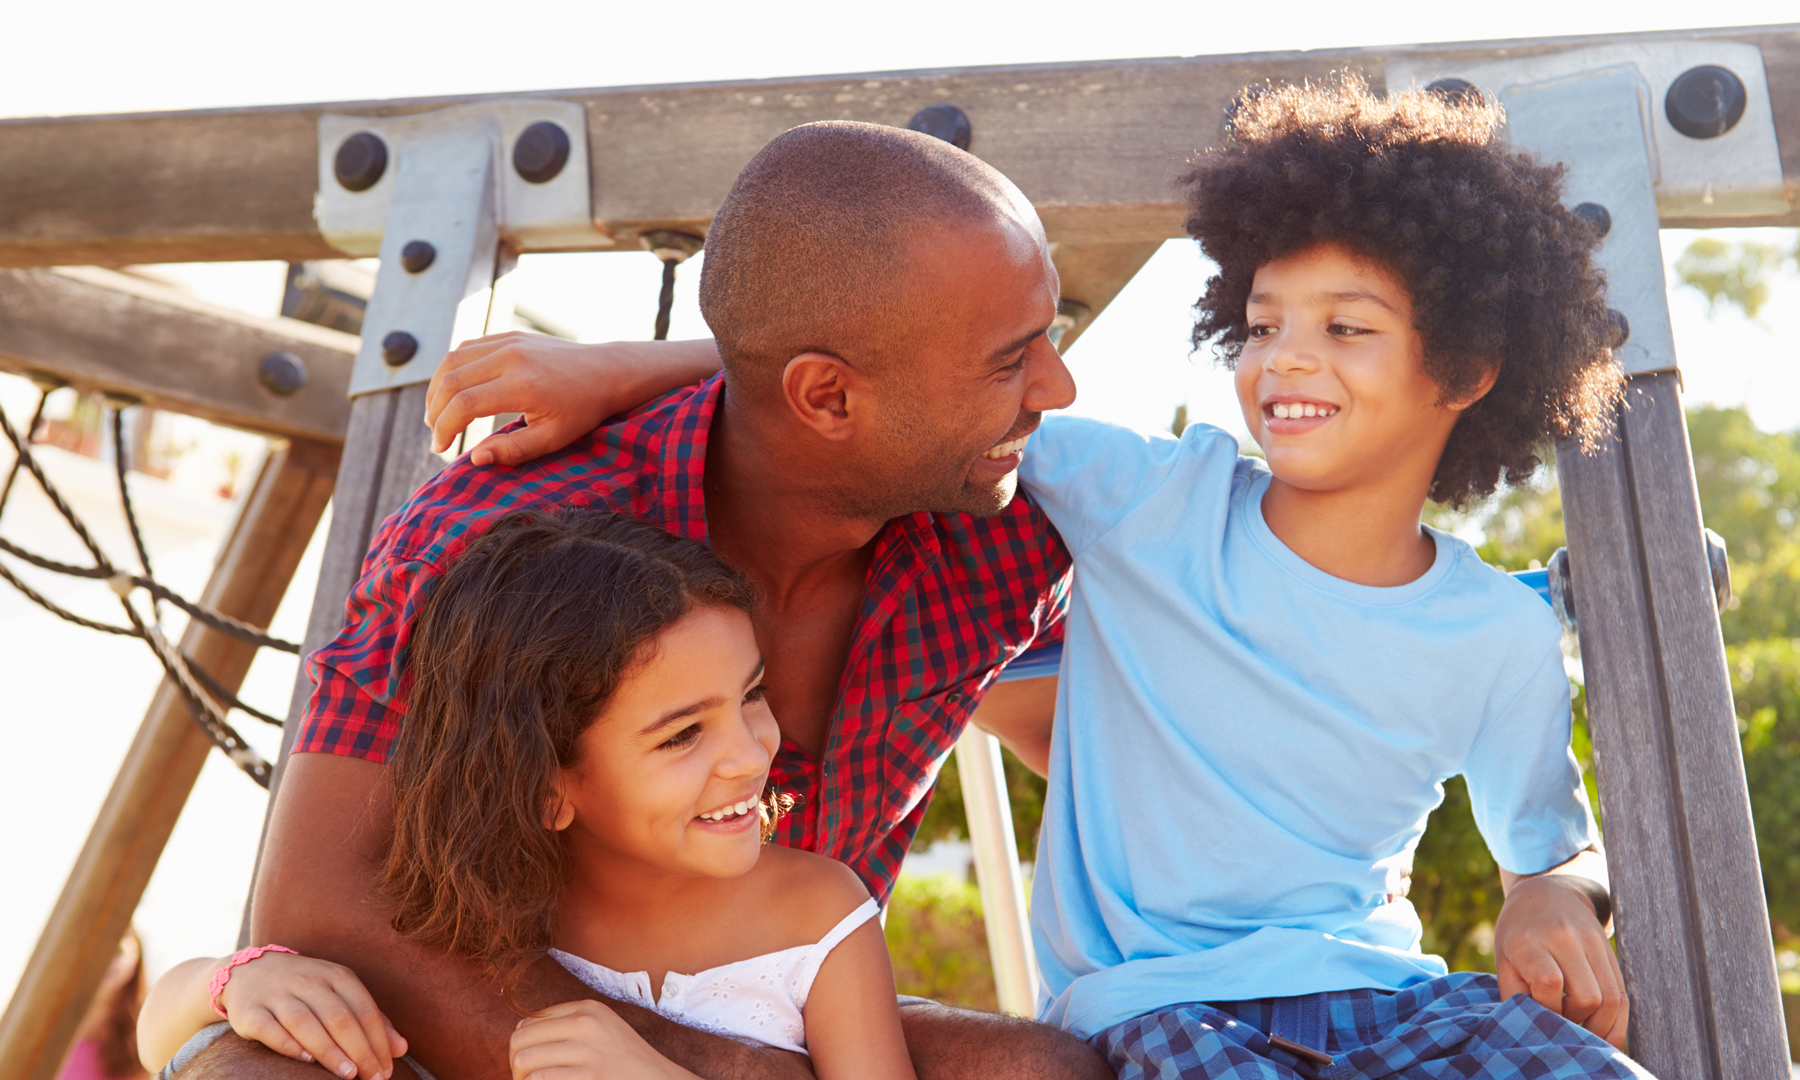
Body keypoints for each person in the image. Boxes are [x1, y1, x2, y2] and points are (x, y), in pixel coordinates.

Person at [432, 78, 1656, 1078]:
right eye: (1266, 321)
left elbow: (1546, 840)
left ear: (1472, 367)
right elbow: (853, 375)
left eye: (1347, 328)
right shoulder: (1151, 500)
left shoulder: (1497, 631)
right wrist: (617, 365)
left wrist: (1555, 895)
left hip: (1381, 993)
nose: (1289, 358)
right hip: (1159, 1011)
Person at [179, 121, 1105, 1080]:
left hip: (786, 1006)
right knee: (253, 1071)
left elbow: (1124, 744)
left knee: (1039, 1072)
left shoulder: (1008, 532)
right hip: (501, 1002)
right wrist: (723, 1075)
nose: (1059, 385)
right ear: (824, 397)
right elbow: (317, 904)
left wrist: (640, 358)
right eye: (1010, 360)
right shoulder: (508, 530)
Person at [140, 509, 914, 1080]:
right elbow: (164, 1039)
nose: (751, 754)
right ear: (547, 789)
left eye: (753, 694)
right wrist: (234, 982)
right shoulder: (475, 915)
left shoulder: (819, 917)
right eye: (683, 736)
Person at [57, 928, 150, 1080]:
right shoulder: (51, 1017)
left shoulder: (145, 1026)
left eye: (118, 952)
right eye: (99, 953)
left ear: (137, 956)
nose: (108, 962)